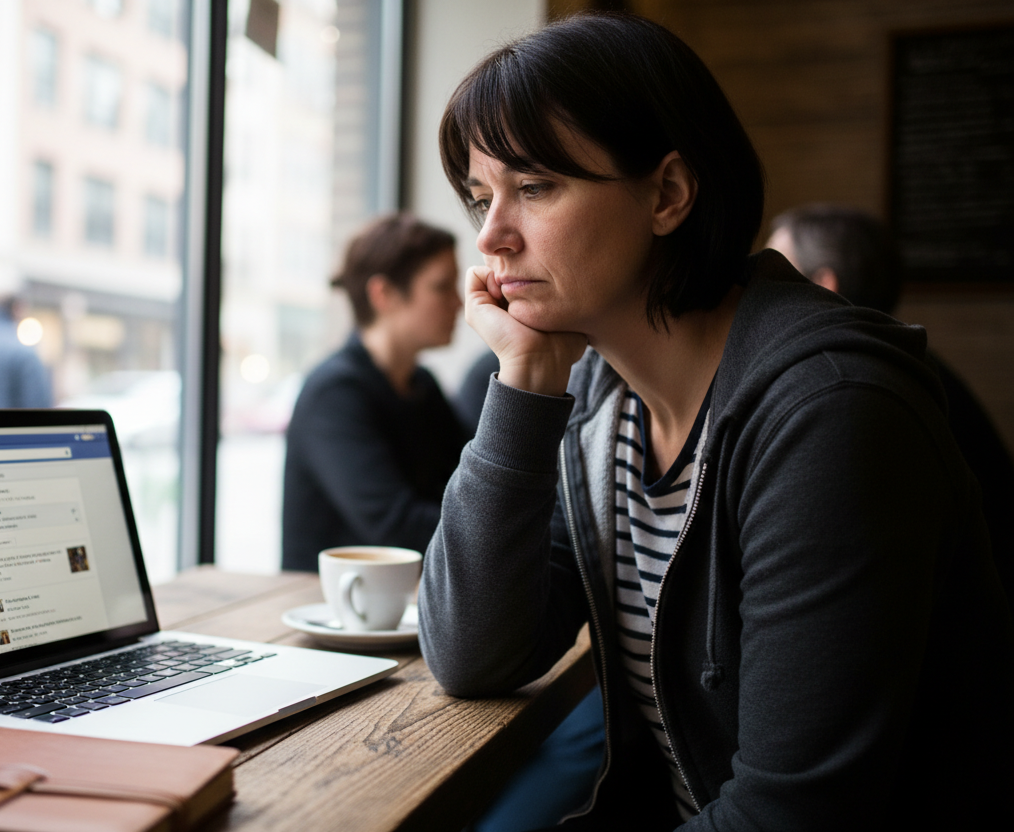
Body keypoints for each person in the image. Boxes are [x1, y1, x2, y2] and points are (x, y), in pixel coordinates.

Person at [417, 12, 1013, 832]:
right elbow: (474, 656)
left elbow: (792, 815)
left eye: (536, 186)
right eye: (481, 197)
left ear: (666, 193)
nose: (491, 237)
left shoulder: (828, 414)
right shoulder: (601, 400)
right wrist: (523, 384)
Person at [766, 204, 1014, 598]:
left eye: (774, 275)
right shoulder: (913, 365)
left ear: (821, 285)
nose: (757, 294)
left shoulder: (851, 394)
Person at [281, 214, 472, 571]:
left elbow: (469, 484)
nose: (459, 303)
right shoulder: (334, 394)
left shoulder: (423, 386)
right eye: (442, 286)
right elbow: (395, 526)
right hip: (331, 610)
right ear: (383, 294)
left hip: (403, 603)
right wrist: (497, 534)